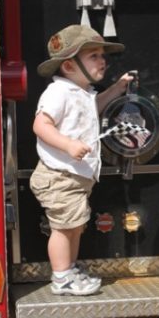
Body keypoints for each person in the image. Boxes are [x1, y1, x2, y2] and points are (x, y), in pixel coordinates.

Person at [29, 24, 133, 296]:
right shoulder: (58, 93)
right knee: (64, 229)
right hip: (59, 176)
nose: (102, 61)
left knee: (74, 226)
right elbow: (41, 125)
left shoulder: (82, 93)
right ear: (68, 67)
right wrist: (68, 144)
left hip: (74, 177)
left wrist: (117, 89)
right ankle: (61, 277)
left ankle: (69, 268)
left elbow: (93, 109)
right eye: (94, 56)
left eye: (102, 55)